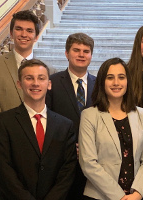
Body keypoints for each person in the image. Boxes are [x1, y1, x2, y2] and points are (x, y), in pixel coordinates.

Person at [0, 59, 76, 199]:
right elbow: (3, 169)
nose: (35, 83)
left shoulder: (65, 125)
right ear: (19, 84)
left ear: (49, 84)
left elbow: (68, 170)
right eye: (29, 78)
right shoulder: (2, 122)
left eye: (41, 78)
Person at [0, 10, 41, 199]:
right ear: (11, 33)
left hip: (36, 153)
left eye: (29, 30)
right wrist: (14, 135)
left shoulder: (46, 69)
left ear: (36, 36)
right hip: (2, 150)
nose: (24, 34)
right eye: (19, 29)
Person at [78, 58, 143, 200]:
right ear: (102, 82)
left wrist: (137, 193)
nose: (116, 83)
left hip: (135, 196)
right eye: (110, 77)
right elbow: (88, 163)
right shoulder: (89, 115)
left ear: (127, 81)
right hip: (100, 196)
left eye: (121, 77)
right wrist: (119, 196)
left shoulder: (142, 115)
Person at [45, 32, 96, 199]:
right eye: (76, 50)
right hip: (62, 162)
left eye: (86, 51)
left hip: (94, 161)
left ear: (91, 55)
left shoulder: (101, 84)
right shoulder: (52, 82)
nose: (81, 54)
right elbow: (48, 119)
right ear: (67, 53)